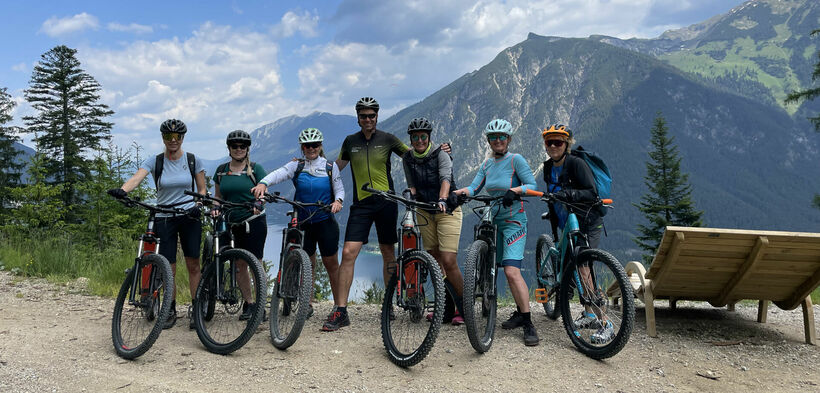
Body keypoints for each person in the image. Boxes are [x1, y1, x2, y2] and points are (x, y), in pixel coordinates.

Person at [108, 119, 206, 329]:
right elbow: (137, 177)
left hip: (189, 215)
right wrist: (124, 190)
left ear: (182, 138)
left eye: (177, 137)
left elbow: (202, 189)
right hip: (164, 216)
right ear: (163, 138)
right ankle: (169, 309)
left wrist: (198, 203)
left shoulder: (192, 160)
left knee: (193, 264)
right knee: (168, 267)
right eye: (168, 137)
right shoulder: (156, 161)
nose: (173, 140)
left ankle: (196, 309)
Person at [453, 118, 540, 346]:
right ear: (489, 141)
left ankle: (528, 321)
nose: (498, 141)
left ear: (509, 139)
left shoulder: (516, 160)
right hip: (493, 222)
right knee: (492, 267)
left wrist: (515, 190)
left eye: (502, 137)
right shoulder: (487, 164)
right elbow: (474, 187)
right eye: (493, 137)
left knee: (512, 271)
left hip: (513, 222)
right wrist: (458, 193)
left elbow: (532, 186)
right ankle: (504, 308)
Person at [251, 128, 344, 320]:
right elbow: (279, 173)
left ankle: (338, 306)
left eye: (315, 145)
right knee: (307, 263)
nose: (311, 148)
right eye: (308, 145)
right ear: (302, 147)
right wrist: (263, 183)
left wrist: (338, 202)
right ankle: (307, 304)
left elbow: (339, 188)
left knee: (331, 264)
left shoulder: (329, 166)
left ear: (320, 146)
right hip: (304, 222)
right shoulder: (297, 166)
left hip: (325, 220)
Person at [541, 124, 612, 342]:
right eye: (549, 142)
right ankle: (589, 314)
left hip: (588, 221)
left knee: (584, 267)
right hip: (567, 221)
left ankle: (605, 322)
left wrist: (568, 194)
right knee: (574, 266)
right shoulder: (547, 167)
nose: (553, 146)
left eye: (558, 142)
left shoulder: (577, 164)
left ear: (567, 144)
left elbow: (591, 192)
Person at [401, 117, 465, 325]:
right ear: (411, 139)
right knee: (435, 261)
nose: (419, 140)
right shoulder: (408, 158)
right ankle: (445, 308)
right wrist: (408, 197)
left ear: (429, 137)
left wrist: (442, 199)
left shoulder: (441, 154)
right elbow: (412, 185)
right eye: (415, 137)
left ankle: (464, 306)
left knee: (448, 260)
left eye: (423, 136)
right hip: (424, 211)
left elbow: (445, 178)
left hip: (447, 210)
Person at [212, 130, 267, 320]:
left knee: (255, 263)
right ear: (229, 148)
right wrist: (215, 208)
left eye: (242, 146)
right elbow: (218, 196)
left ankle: (261, 306)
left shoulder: (256, 169)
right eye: (234, 146)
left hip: (252, 222)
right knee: (239, 264)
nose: (238, 149)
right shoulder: (221, 170)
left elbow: (263, 193)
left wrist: (259, 204)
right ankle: (249, 303)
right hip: (231, 222)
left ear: (247, 148)